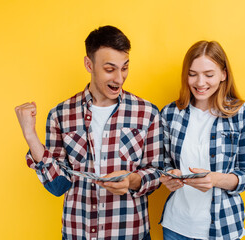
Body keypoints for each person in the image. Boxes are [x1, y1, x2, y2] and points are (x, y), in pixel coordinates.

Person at [15, 25, 162, 240]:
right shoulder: (61, 114)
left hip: (130, 233)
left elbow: (157, 173)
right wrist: (30, 135)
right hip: (78, 233)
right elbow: (58, 186)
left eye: (125, 68)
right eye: (110, 69)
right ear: (88, 64)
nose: (119, 78)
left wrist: (131, 180)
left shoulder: (146, 113)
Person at [159, 40, 245, 240]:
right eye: (192, 74)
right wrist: (169, 175)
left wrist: (214, 179)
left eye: (209, 75)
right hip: (176, 227)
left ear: (223, 74)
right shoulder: (170, 113)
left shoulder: (242, 113)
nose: (200, 83)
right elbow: (164, 163)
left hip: (223, 227)